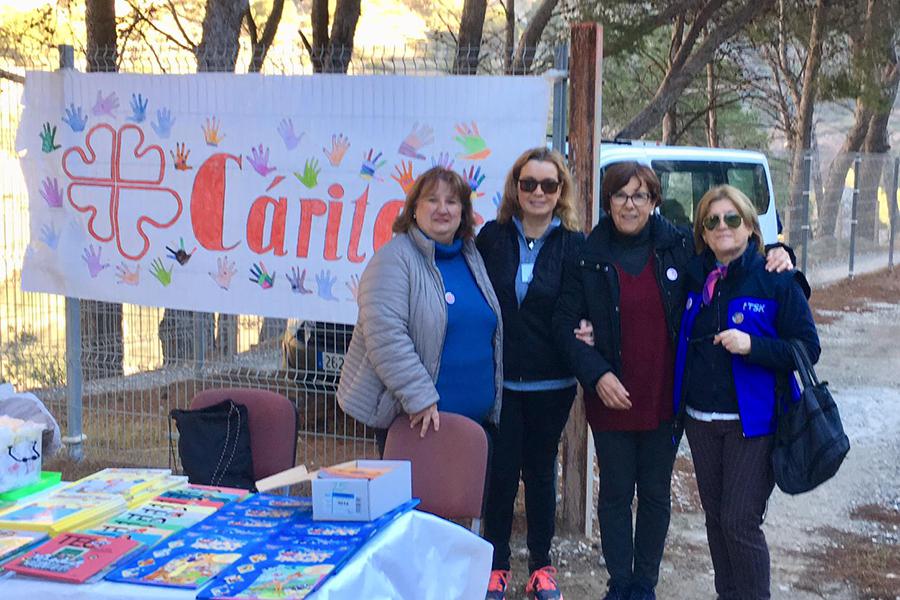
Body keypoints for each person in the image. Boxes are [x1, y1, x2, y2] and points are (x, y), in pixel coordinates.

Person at [553, 162, 794, 600]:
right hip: (611, 396)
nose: (630, 204)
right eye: (620, 195)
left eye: (640, 195)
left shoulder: (678, 245)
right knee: (615, 493)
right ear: (608, 202)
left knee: (655, 494)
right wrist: (596, 373)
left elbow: (732, 263)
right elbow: (564, 323)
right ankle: (619, 584)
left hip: (665, 396)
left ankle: (644, 585)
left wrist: (781, 252)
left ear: (654, 201)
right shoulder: (587, 254)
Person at [674, 185, 818, 599]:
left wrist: (753, 345)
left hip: (753, 422)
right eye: (712, 220)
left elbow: (807, 348)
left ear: (751, 226)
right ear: (703, 232)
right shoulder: (694, 276)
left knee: (739, 520)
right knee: (716, 519)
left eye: (732, 218)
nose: (722, 226)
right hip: (701, 420)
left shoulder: (776, 279)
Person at [476, 147, 586, 600]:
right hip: (500, 382)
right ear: (515, 188)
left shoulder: (576, 244)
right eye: (529, 183)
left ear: (561, 191)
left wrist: (592, 327)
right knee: (500, 474)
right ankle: (496, 565)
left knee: (540, 474)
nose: (538, 192)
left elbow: (593, 300)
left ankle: (541, 567)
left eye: (548, 184)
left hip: (551, 384)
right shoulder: (492, 237)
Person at [337, 166, 503, 449]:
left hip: (475, 429)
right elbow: (386, 338)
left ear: (463, 212)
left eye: (452, 201)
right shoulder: (393, 260)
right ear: (414, 209)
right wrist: (420, 398)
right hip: (419, 423)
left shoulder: (471, 256)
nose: (442, 209)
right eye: (432, 200)